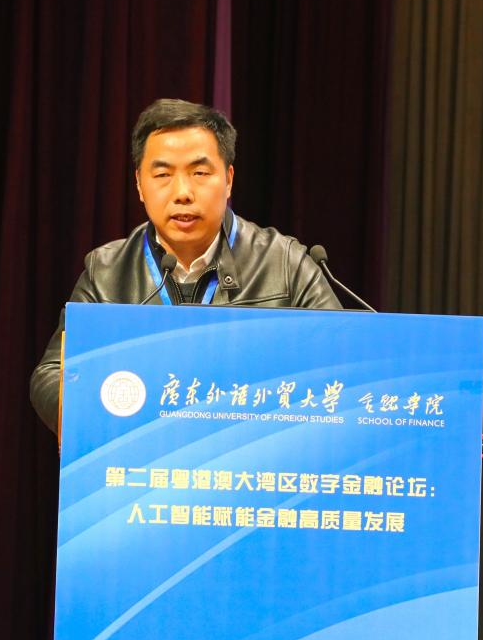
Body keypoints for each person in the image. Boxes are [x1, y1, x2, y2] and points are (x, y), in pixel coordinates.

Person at [29, 98, 341, 434]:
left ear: (229, 179)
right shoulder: (106, 272)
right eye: (163, 174)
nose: (182, 192)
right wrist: (100, 421)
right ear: (139, 184)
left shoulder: (285, 263)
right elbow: (52, 374)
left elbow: (345, 360)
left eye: (200, 173)